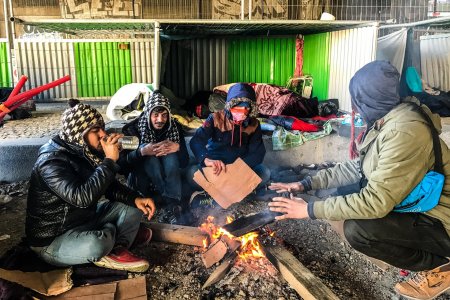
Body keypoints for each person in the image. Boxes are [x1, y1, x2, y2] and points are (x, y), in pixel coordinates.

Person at [269, 61, 450, 300]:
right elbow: (359, 168)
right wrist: (306, 184)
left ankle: (441, 267)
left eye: (358, 99)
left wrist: (310, 210)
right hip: (418, 203)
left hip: (441, 219)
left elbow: (375, 202)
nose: (356, 106)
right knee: (348, 191)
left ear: (369, 98)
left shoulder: (404, 132)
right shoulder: (391, 119)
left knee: (359, 230)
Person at [25, 99, 155, 273]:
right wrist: (109, 161)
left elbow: (106, 186)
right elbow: (83, 198)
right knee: (98, 243)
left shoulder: (83, 150)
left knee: (134, 207)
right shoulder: (51, 162)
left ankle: (118, 248)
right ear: (80, 133)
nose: (102, 134)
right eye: (95, 130)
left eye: (102, 127)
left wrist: (135, 198)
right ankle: (112, 236)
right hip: (54, 237)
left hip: (84, 219)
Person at [188, 83, 270, 207]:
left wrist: (237, 169)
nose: (242, 112)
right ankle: (238, 193)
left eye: (246, 107)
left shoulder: (254, 124)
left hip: (240, 169)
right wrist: (207, 160)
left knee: (264, 172)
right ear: (230, 105)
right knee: (192, 173)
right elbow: (196, 141)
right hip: (216, 168)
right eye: (237, 106)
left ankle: (212, 196)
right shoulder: (215, 118)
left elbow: (257, 153)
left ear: (251, 108)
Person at [119, 91, 189, 224]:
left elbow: (185, 162)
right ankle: (169, 202)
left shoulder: (174, 128)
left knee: (171, 153)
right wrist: (141, 152)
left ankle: (170, 205)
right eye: (155, 115)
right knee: (148, 154)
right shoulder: (132, 130)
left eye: (164, 115)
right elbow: (122, 166)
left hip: (170, 184)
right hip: (143, 184)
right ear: (148, 114)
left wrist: (178, 148)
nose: (160, 120)